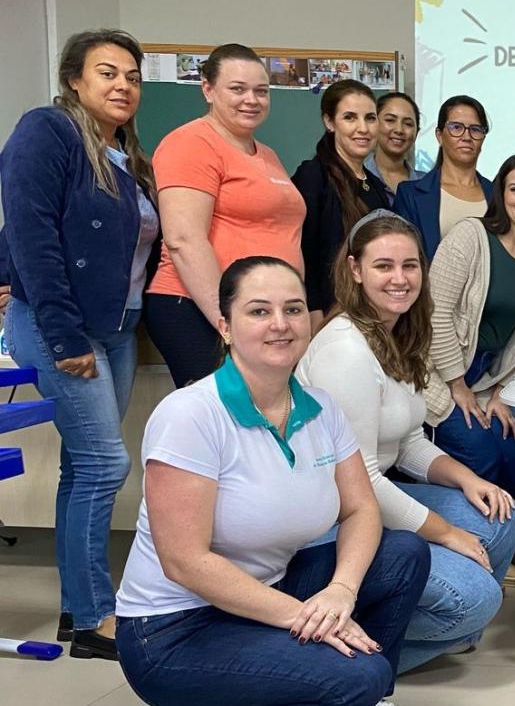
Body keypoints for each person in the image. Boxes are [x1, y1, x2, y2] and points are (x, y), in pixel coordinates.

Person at [112, 257, 430, 705]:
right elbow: (185, 562)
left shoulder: (321, 407)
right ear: (225, 326)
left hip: (267, 590)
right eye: (259, 311)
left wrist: (341, 592)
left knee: (403, 553)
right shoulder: (191, 414)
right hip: (176, 629)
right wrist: (309, 617)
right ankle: (355, 682)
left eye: (294, 309)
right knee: (359, 675)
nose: (280, 324)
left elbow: (361, 508)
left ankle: (359, 688)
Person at [296, 210, 515, 671]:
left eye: (410, 265)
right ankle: (340, 656)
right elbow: (360, 480)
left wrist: (467, 480)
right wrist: (447, 534)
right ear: (355, 271)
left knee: (501, 514)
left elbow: (410, 442)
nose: (400, 279)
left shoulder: (400, 333)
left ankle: (448, 629)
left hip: (372, 496)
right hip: (330, 517)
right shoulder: (345, 351)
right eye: (383, 266)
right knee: (476, 597)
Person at [1, 29, 158, 660]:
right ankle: (96, 618)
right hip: (61, 326)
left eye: (132, 76)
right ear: (74, 80)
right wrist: (64, 334)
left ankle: (76, 608)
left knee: (81, 468)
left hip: (116, 329)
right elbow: (30, 229)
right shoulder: (49, 130)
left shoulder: (124, 154)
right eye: (108, 73)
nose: (123, 86)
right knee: (103, 465)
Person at [144, 43, 305, 388]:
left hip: (257, 314)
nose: (252, 99)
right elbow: (183, 240)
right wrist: (228, 322)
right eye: (238, 89)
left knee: (260, 425)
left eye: (261, 91)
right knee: (225, 424)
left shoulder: (269, 155)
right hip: (199, 309)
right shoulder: (191, 143)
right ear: (208, 89)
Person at [425, 155, 515, 504]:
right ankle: (474, 542)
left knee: (511, 453)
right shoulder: (470, 235)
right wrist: (457, 384)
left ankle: (505, 540)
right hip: (436, 372)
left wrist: (501, 389)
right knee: (480, 452)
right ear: (501, 195)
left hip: (488, 377)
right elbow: (434, 314)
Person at [292, 80, 391, 326]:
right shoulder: (313, 176)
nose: (363, 128)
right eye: (350, 117)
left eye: (370, 118)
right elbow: (301, 250)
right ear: (329, 122)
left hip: (368, 315)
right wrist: (312, 309)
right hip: (326, 316)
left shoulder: (376, 188)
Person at [394, 95, 494, 259]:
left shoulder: (496, 193)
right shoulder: (410, 194)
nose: (466, 136)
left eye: (475, 129)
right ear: (439, 135)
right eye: (456, 127)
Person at [365, 91, 424, 199]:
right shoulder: (354, 180)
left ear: (417, 132)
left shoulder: (428, 184)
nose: (399, 130)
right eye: (390, 120)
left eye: (408, 124)